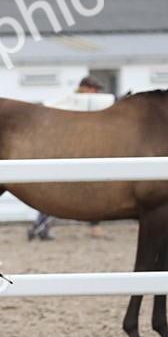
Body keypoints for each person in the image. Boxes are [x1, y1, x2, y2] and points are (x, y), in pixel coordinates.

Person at [28, 75, 114, 241]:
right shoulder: (74, 103)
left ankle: (41, 226)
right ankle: (40, 226)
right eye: (94, 89)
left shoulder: (81, 103)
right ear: (86, 89)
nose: (96, 93)